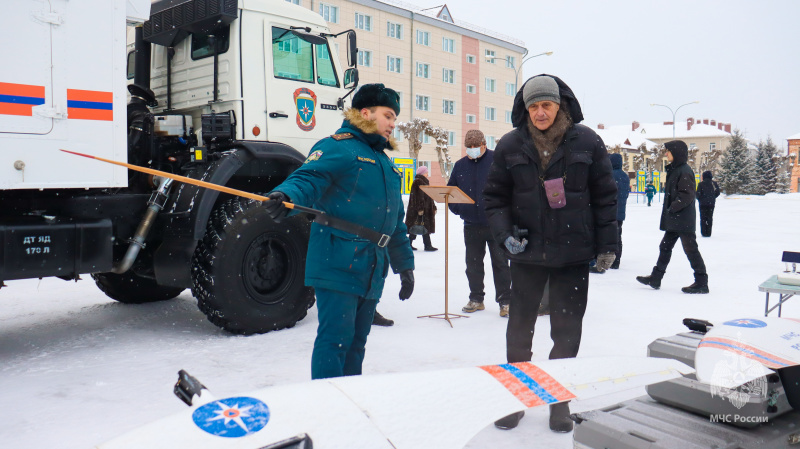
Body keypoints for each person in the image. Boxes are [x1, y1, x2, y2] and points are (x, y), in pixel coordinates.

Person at [483, 75, 618, 432]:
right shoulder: (511, 144)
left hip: (573, 255)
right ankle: (518, 397)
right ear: (525, 109)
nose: (540, 112)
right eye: (533, 106)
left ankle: (558, 400)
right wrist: (504, 235)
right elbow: (495, 198)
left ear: (560, 105)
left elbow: (605, 197)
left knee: (567, 331)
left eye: (546, 105)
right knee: (519, 331)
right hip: (527, 255)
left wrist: (607, 244)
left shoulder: (586, 141)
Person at [264, 83, 415, 379]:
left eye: (395, 118)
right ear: (365, 113)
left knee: (357, 344)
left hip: (372, 265)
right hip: (338, 259)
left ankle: (350, 403)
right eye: (387, 115)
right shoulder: (337, 146)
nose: (392, 124)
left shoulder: (384, 162)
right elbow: (308, 177)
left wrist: (405, 265)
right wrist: (288, 195)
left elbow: (394, 221)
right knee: (335, 341)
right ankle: (327, 407)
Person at [447, 129, 512, 317]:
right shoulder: (460, 166)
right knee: (473, 264)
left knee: (500, 263)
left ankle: (505, 302)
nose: (473, 149)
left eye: (476, 146)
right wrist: (459, 209)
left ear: (484, 144)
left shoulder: (497, 161)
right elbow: (451, 191)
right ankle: (476, 299)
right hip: (471, 224)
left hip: (496, 224)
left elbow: (509, 189)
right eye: (469, 147)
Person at [636, 140, 709, 294]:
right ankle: (655, 278)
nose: (666, 153)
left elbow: (687, 194)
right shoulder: (676, 169)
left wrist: (672, 207)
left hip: (683, 220)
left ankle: (702, 282)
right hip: (677, 219)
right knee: (665, 247)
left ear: (676, 153)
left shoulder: (684, 170)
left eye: (668, 151)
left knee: (691, 250)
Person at [405, 165, 438, 251]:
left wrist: (433, 207)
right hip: (420, 210)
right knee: (418, 226)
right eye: (426, 172)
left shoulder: (424, 182)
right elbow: (417, 196)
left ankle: (414, 244)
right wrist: (420, 208)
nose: (427, 173)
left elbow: (429, 196)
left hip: (425, 209)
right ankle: (426, 245)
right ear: (423, 173)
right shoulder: (418, 182)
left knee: (421, 226)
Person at [696, 170, 720, 237]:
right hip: (711, 204)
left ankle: (703, 232)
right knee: (709, 217)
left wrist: (701, 199)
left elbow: (697, 194)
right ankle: (708, 233)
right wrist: (712, 197)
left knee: (703, 218)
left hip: (702, 204)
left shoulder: (701, 184)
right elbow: (718, 192)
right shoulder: (714, 183)